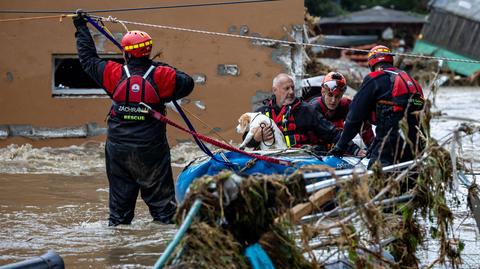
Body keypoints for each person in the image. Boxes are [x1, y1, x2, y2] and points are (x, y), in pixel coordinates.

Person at [73, 12, 194, 226]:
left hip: (118, 150)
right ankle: (164, 252)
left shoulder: (112, 72)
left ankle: (119, 255)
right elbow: (188, 82)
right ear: (148, 51)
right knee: (165, 213)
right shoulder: (162, 75)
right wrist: (160, 66)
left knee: (119, 218)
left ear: (126, 54)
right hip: (151, 151)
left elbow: (88, 59)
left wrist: (81, 28)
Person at [329, 45, 424, 168]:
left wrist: (340, 146)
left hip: (389, 144)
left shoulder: (374, 78)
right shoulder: (411, 80)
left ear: (371, 63)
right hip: (416, 145)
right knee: (408, 182)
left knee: (377, 179)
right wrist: (373, 146)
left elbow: (354, 117)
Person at [247, 73, 360, 154]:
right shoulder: (261, 113)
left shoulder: (306, 110)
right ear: (275, 90)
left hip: (300, 159)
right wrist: (255, 138)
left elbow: (332, 132)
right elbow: (246, 141)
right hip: (270, 159)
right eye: (286, 88)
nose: (291, 92)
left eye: (292, 88)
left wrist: (355, 150)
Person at [309, 72, 374, 151]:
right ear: (323, 93)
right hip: (316, 148)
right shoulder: (313, 107)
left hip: (338, 147)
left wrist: (372, 147)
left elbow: (364, 126)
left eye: (337, 96)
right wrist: (354, 150)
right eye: (330, 95)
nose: (333, 101)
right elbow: (330, 132)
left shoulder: (346, 105)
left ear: (342, 95)